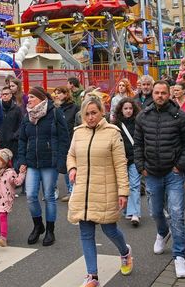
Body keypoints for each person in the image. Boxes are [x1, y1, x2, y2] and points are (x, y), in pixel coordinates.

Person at [133, 80, 185, 279]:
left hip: (173, 173)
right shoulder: (143, 116)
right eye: (156, 92)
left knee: (177, 214)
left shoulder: (181, 117)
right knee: (154, 211)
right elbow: (138, 145)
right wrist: (141, 167)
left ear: (170, 94)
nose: (159, 95)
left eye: (163, 93)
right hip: (151, 172)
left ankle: (179, 255)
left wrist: (180, 166)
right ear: (152, 94)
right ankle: (162, 232)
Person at [68, 95, 133, 287]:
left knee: (109, 229)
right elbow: (71, 155)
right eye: (86, 114)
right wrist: (72, 168)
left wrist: (123, 192)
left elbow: (121, 165)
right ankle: (92, 276)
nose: (90, 117)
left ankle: (125, 252)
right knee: (86, 233)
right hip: (83, 192)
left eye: (93, 113)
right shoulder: (78, 132)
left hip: (106, 190)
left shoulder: (113, 133)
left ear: (101, 112)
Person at [16, 86, 69, 247]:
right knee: (31, 196)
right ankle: (38, 225)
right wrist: (22, 160)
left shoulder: (54, 113)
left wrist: (61, 161)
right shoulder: (28, 115)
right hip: (32, 162)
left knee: (48, 195)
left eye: (32, 97)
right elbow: (22, 140)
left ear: (40, 98)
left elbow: (64, 138)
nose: (29, 100)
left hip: (49, 162)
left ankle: (50, 230)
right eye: (29, 97)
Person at [113, 97, 142, 226]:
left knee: (135, 185)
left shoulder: (139, 122)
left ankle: (135, 213)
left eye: (130, 108)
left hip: (135, 158)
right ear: (121, 110)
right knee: (123, 186)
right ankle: (127, 210)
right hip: (121, 160)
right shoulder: (115, 125)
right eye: (126, 108)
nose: (128, 111)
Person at [53, 86, 78, 202]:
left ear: (66, 94)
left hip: (71, 141)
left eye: (60, 93)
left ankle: (71, 190)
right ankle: (58, 190)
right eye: (56, 93)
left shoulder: (74, 108)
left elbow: (76, 124)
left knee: (70, 166)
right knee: (60, 166)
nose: (57, 95)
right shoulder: (55, 108)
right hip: (58, 141)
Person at [0, 86, 22, 160]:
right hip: (1, 141)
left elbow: (21, 124)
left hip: (13, 143)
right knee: (1, 162)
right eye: (3, 94)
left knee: (14, 163)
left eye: (6, 94)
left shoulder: (17, 109)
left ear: (11, 95)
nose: (4, 96)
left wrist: (15, 135)